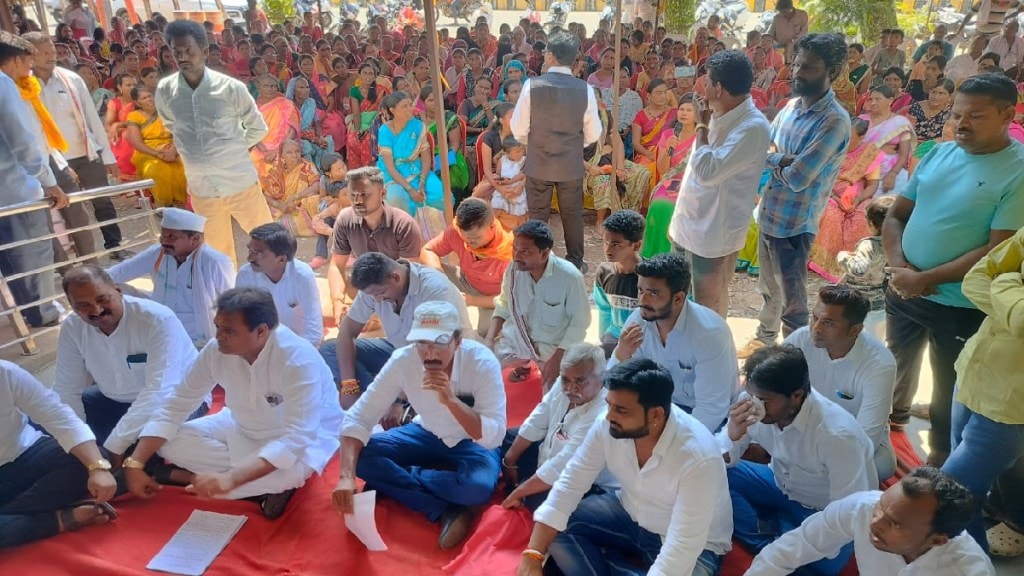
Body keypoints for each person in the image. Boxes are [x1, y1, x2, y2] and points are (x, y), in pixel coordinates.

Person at [882, 74, 1024, 466]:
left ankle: (939, 460)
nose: (961, 123)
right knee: (895, 361)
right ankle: (891, 423)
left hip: (958, 303)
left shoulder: (1018, 171)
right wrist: (899, 269)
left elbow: (998, 250)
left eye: (975, 116)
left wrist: (924, 279)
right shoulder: (939, 154)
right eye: (957, 114)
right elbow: (896, 215)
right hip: (904, 286)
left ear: (1007, 115)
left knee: (948, 383)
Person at [122, 287, 344, 519]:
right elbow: (177, 403)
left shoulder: (297, 360)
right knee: (168, 442)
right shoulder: (215, 350)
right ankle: (247, 486)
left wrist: (231, 478)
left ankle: (191, 478)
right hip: (239, 422)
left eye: (228, 331)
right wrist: (135, 463)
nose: (218, 336)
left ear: (261, 331)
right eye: (217, 326)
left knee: (284, 475)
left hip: (299, 439)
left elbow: (297, 436)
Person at [518, 358, 733, 576]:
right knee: (557, 529)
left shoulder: (697, 457)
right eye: (609, 405)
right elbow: (570, 483)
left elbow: (683, 544)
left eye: (621, 410)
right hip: (628, 513)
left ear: (656, 414)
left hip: (695, 545)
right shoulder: (607, 424)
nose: (609, 415)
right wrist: (533, 554)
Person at [332, 301, 506, 550]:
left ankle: (405, 476)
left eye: (438, 342)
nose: (429, 353)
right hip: (426, 431)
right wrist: (346, 477)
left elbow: (493, 436)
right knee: (358, 457)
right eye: (421, 343)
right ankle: (443, 509)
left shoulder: (482, 363)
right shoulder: (403, 360)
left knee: (476, 488)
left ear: (457, 341)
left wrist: (450, 400)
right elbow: (359, 417)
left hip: (472, 441)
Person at [742, 34, 852, 357]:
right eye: (797, 64)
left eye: (809, 67)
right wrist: (781, 158)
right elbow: (763, 149)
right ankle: (765, 339)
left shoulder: (834, 121)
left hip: (795, 224)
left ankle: (796, 357)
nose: (798, 72)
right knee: (769, 288)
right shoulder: (790, 107)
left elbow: (799, 178)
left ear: (832, 71)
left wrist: (779, 160)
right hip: (769, 212)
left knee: (792, 300)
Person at [722, 345, 876, 575]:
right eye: (751, 395)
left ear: (796, 396)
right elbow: (725, 457)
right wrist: (731, 436)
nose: (754, 406)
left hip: (821, 509)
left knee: (825, 564)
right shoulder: (753, 401)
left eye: (763, 400)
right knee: (715, 472)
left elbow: (846, 510)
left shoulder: (837, 436)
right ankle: (768, 540)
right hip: (777, 483)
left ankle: (776, 537)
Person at [157, 20, 272, 268]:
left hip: (239, 181)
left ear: (205, 51)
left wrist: (230, 147)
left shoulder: (230, 88)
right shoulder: (166, 91)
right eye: (177, 52)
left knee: (268, 243)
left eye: (189, 50)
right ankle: (229, 300)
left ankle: (277, 293)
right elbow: (171, 127)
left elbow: (258, 127)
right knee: (217, 255)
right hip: (202, 189)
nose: (182, 57)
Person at [53, 265, 201, 455]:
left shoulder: (157, 319)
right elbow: (66, 389)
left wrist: (115, 446)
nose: (97, 310)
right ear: (73, 307)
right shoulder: (73, 327)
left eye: (102, 299)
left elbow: (159, 391)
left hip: (174, 400)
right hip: (112, 400)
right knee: (50, 420)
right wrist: (82, 443)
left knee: (156, 447)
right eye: (84, 305)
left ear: (118, 290)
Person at [669, 50, 772, 319]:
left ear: (719, 88)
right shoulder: (716, 112)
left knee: (708, 305)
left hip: (714, 232)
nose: (701, 87)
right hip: (688, 221)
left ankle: (709, 357)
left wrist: (701, 126)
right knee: (676, 293)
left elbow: (706, 171)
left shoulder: (752, 128)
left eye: (707, 81)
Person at [941, 225, 1024, 553]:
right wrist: (1014, 295)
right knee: (965, 497)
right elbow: (974, 279)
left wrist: (1005, 280)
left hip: (1009, 405)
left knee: (947, 497)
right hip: (972, 373)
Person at [745, 467, 994, 576]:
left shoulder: (968, 571)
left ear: (937, 540)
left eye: (895, 523)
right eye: (881, 506)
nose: (875, 522)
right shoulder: (863, 506)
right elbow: (793, 547)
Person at [321, 252, 473, 409]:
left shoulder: (434, 289)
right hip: (402, 353)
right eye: (374, 296)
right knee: (330, 349)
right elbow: (347, 331)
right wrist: (349, 386)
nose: (378, 300)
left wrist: (398, 400)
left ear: (395, 277)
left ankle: (394, 405)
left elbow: (434, 353)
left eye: (380, 293)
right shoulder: (375, 288)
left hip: (446, 362)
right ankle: (378, 404)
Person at [28, 33, 129, 261]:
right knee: (70, 212)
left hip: (85, 153)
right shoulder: (23, 84)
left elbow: (92, 118)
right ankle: (78, 259)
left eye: (52, 52)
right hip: (52, 160)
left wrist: (108, 156)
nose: (50, 57)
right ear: (29, 55)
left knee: (102, 202)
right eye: (43, 53)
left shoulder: (70, 79)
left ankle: (115, 246)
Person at [611, 253, 737, 432]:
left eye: (654, 293)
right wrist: (620, 355)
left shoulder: (709, 334)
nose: (642, 301)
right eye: (640, 290)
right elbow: (616, 381)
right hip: (663, 408)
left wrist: (674, 444)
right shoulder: (639, 320)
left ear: (678, 298)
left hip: (708, 418)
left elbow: (712, 408)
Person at [0, 360, 118, 549]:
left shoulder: (5, 372)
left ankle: (11, 519)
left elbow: (57, 415)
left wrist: (97, 468)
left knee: (89, 459)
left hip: (25, 452)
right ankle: (60, 520)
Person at [784, 285, 898, 480]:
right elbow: (771, 386)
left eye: (829, 323)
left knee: (883, 466)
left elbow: (866, 437)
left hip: (848, 433)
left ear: (855, 330)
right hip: (802, 423)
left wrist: (823, 458)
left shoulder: (880, 364)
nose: (816, 329)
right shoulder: (800, 339)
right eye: (815, 317)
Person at [511, 31, 602, 271]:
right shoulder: (585, 89)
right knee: (572, 215)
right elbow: (593, 133)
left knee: (538, 216)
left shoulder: (533, 86)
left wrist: (535, 142)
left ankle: (536, 262)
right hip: (570, 164)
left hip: (539, 162)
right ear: (574, 59)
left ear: (549, 56)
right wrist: (573, 145)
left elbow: (518, 128)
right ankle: (575, 263)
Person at [0, 32, 67, 329]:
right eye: (28, 64)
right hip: (15, 191)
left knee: (10, 261)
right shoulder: (4, 85)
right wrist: (49, 181)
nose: (28, 71)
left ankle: (26, 315)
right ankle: (41, 312)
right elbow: (23, 142)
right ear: (15, 60)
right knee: (31, 254)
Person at [500, 342, 610, 510]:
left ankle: (523, 487)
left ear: (601, 378)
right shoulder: (563, 383)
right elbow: (538, 418)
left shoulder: (603, 413)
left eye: (580, 381)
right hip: (549, 457)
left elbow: (564, 464)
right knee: (510, 438)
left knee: (539, 501)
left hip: (579, 480)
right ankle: (524, 484)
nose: (571, 388)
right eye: (566, 379)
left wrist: (518, 493)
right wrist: (510, 460)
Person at [485, 221, 591, 389]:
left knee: (555, 397)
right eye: (515, 249)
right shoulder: (514, 270)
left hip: (554, 347)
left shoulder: (569, 277)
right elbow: (504, 304)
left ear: (544, 254)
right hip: (519, 339)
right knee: (485, 364)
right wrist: (489, 340)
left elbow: (580, 323)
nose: (516, 256)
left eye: (525, 251)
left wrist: (556, 360)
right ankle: (525, 364)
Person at [108, 208, 235, 346]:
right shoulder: (158, 253)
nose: (164, 241)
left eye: (172, 237)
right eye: (163, 235)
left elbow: (231, 302)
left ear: (195, 239)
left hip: (198, 335)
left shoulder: (214, 261)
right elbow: (119, 271)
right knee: (112, 287)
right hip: (162, 324)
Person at [325, 166, 423, 324]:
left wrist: (383, 312)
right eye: (353, 195)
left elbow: (408, 278)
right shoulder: (345, 219)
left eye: (364, 195)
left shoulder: (404, 224)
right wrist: (337, 302)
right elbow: (337, 265)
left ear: (382, 193)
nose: (357, 201)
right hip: (366, 286)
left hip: (399, 290)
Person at [421, 198, 512, 336]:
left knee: (488, 331)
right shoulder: (457, 231)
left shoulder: (509, 253)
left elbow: (511, 299)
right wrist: (440, 278)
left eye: (476, 237)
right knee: (423, 274)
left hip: (496, 296)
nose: (470, 242)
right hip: (466, 280)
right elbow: (428, 250)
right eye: (465, 237)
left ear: (492, 226)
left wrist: (471, 300)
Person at [809, 117, 886, 281]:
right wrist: (836, 198)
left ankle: (857, 264)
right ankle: (826, 263)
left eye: (848, 136)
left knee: (863, 218)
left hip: (857, 195)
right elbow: (820, 178)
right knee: (830, 215)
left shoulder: (869, 153)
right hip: (828, 191)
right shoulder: (830, 148)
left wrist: (858, 199)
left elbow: (872, 185)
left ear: (861, 137)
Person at [235, 223, 323, 347]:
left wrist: (290, 357)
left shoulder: (302, 275)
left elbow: (313, 332)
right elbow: (240, 322)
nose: (250, 258)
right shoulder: (245, 275)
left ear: (281, 259)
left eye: (258, 253)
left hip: (297, 346)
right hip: (259, 348)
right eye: (250, 250)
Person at [377, 91, 448, 216]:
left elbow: (426, 157)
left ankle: (434, 232)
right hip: (392, 173)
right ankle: (405, 231)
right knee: (396, 199)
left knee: (441, 195)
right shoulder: (385, 130)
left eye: (410, 104)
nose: (410, 109)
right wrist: (410, 190)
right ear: (393, 110)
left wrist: (422, 180)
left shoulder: (418, 126)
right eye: (404, 106)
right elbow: (390, 167)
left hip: (417, 169)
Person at [643, 95, 697, 258]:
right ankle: (654, 253)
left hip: (693, 183)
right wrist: (668, 149)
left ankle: (676, 255)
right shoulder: (668, 135)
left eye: (689, 110)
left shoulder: (702, 137)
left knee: (679, 207)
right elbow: (662, 169)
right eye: (681, 109)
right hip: (670, 181)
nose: (684, 113)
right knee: (660, 205)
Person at [837, 196, 895, 340]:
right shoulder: (898, 244)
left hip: (858, 302)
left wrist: (842, 256)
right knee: (875, 343)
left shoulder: (869, 245)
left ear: (872, 224)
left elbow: (859, 269)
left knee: (852, 339)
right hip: (881, 304)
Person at [125, 85, 188, 207]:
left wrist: (173, 150)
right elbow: (136, 142)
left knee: (185, 168)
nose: (149, 99)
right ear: (137, 102)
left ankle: (183, 205)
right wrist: (158, 154)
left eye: (150, 96)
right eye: (144, 98)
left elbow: (178, 132)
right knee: (157, 170)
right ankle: (163, 205)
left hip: (173, 148)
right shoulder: (134, 116)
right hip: (149, 152)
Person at [593, 210, 644, 353]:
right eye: (606, 242)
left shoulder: (650, 277)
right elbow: (604, 309)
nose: (608, 250)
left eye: (616, 244)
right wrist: (603, 342)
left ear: (636, 246)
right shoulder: (604, 273)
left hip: (642, 339)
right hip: (614, 336)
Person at [259, 140, 323, 237]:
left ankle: (283, 227)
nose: (294, 155)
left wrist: (294, 198)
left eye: (297, 151)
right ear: (282, 156)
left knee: (314, 200)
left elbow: (316, 187)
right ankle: (288, 226)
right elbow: (264, 194)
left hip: (301, 207)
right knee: (262, 208)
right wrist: (279, 205)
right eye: (289, 152)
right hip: (281, 208)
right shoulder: (275, 170)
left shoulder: (308, 166)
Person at [250, 73, 299, 178]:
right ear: (259, 87)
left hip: (284, 144)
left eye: (272, 86)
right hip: (260, 145)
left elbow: (293, 130)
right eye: (266, 86)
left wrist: (278, 149)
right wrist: (262, 148)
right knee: (253, 159)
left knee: (281, 161)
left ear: (277, 87)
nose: (270, 89)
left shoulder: (287, 104)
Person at [488, 136, 528, 231]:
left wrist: (512, 181)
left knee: (520, 213)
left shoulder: (524, 160)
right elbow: (498, 174)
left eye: (522, 150)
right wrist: (498, 179)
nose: (520, 153)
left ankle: (522, 231)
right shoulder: (502, 160)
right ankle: (492, 228)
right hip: (503, 189)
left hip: (517, 188)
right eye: (517, 152)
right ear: (507, 152)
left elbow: (524, 174)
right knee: (496, 206)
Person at [906, 80, 954, 144]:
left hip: (937, 146)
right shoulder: (916, 107)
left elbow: (950, 137)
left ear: (949, 96)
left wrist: (927, 144)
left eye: (941, 93)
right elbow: (908, 130)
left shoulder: (951, 113)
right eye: (933, 92)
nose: (936, 96)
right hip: (912, 144)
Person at [767, 0, 808, 64]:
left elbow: (804, 32)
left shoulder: (802, 15)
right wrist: (771, 41)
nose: (782, 14)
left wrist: (792, 41)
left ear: (790, 9)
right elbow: (770, 33)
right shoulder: (777, 18)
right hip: (780, 51)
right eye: (780, 12)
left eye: (784, 12)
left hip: (797, 50)